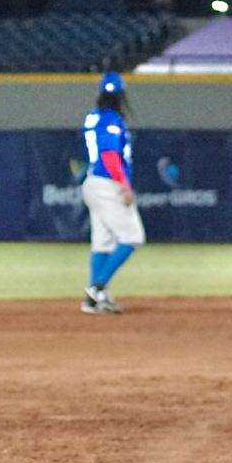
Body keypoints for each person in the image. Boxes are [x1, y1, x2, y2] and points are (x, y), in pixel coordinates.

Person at [80, 71, 144, 314]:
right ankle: (97, 287)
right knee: (133, 237)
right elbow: (109, 155)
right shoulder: (110, 119)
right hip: (107, 183)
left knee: (103, 242)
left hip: (93, 182)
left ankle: (93, 300)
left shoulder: (94, 117)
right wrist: (124, 185)